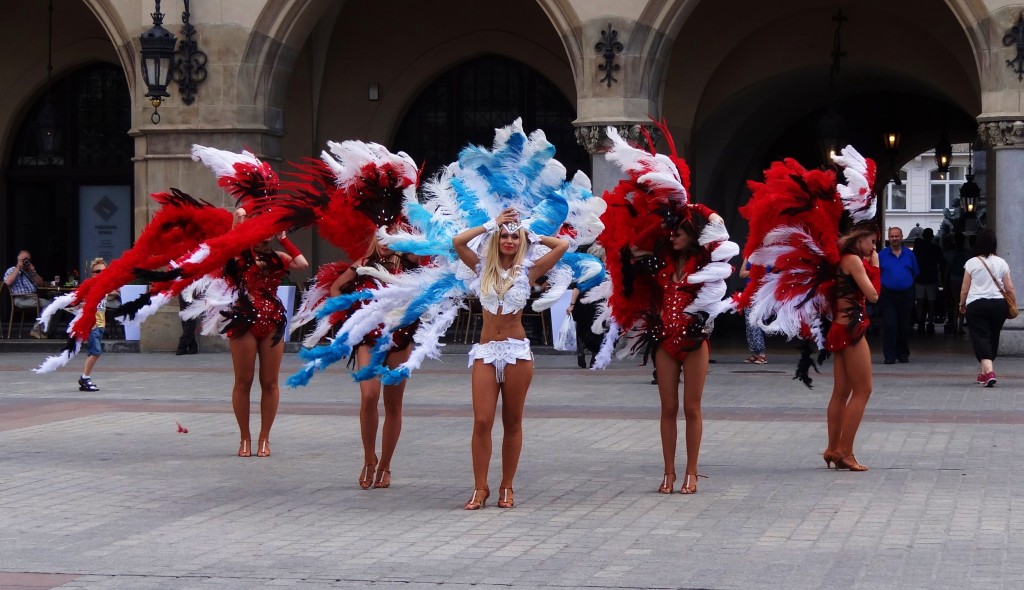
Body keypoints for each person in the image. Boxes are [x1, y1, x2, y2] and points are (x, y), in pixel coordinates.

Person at [454, 207, 569, 510]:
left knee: (512, 422)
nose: (508, 240)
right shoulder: (480, 267)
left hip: (517, 351)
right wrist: (490, 224)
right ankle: (480, 487)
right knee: (481, 421)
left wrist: (533, 234)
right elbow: (458, 241)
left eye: (514, 237)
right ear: (496, 238)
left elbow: (562, 245)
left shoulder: (529, 270)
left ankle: (507, 486)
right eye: (504, 235)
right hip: (487, 352)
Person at [330, 235, 419, 489]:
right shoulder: (362, 263)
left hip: (399, 338)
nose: (384, 242)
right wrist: (348, 316)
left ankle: (385, 465)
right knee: (369, 395)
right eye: (380, 236)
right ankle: (369, 458)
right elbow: (336, 288)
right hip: (369, 338)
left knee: (393, 404)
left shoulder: (409, 263)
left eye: (390, 237)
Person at [227, 208, 308, 457]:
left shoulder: (279, 256)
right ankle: (244, 438)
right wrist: (239, 218)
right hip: (244, 320)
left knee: (270, 382)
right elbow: (228, 246)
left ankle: (264, 438)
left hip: (272, 320)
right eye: (260, 232)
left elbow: (302, 263)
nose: (264, 238)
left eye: (269, 234)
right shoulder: (241, 256)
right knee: (244, 381)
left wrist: (284, 238)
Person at [823, 224, 880, 471]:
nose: (874, 247)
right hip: (852, 329)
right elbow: (874, 295)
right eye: (872, 242)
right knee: (863, 390)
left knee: (841, 391)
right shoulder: (853, 261)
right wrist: (876, 267)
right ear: (860, 240)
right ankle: (845, 452)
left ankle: (833, 448)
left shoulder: (841, 259)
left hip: (839, 326)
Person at [959, 229, 1015, 387]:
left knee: (980, 337)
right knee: (993, 335)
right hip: (998, 305)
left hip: (977, 304)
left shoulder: (971, 263)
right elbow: (1009, 288)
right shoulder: (1001, 262)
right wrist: (1013, 304)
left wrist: (961, 304)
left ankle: (990, 372)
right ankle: (983, 374)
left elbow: (964, 288)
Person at [878, 227, 918, 364]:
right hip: (887, 294)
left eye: (896, 236)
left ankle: (903, 354)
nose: (894, 239)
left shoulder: (910, 254)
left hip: (906, 294)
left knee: (904, 325)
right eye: (892, 236)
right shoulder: (881, 255)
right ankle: (889, 355)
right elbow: (876, 273)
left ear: (902, 237)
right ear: (889, 238)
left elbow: (914, 272)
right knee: (889, 324)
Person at [78, 258, 114, 392]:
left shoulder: (103, 286)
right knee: (95, 352)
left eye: (104, 271)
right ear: (92, 273)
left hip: (100, 325)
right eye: (98, 271)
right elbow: (81, 304)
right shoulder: (90, 286)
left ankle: (85, 378)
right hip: (93, 325)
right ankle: (85, 379)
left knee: (93, 353)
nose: (101, 274)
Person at [4, 250, 55, 338]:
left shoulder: (30, 272)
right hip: (20, 299)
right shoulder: (12, 270)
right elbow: (8, 282)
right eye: (23, 259)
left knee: (56, 304)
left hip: (33, 297)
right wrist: (18, 268)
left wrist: (33, 271)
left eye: (28, 260)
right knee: (50, 304)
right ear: (18, 260)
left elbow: (40, 284)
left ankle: (46, 330)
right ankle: (37, 329)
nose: (25, 261)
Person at [913, 227, 945, 335]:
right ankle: (930, 323)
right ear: (931, 236)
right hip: (931, 278)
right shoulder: (936, 248)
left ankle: (921, 324)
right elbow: (941, 263)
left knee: (920, 303)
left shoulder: (918, 249)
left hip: (920, 278)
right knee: (931, 303)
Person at [738, 256, 767, 364]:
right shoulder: (748, 256)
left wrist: (753, 273)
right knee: (750, 323)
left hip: (763, 292)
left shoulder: (767, 254)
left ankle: (762, 354)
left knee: (757, 322)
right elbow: (741, 274)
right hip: (749, 292)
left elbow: (768, 274)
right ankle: (755, 353)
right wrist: (755, 272)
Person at [943, 232, 970, 334]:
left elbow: (947, 269)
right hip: (964, 279)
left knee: (955, 302)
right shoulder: (967, 253)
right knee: (963, 302)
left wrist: (945, 282)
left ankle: (954, 325)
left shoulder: (950, 253)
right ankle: (959, 327)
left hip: (953, 279)